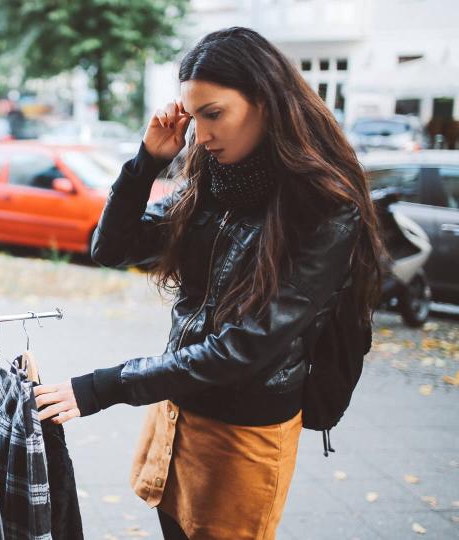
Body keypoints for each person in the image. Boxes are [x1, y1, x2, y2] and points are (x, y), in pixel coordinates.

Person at [33, 27, 385, 539]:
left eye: (214, 114)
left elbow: (247, 347)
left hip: (245, 430)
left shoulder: (325, 208)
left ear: (266, 102)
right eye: (193, 118)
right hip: (176, 406)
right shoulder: (212, 183)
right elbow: (111, 248)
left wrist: (104, 386)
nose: (201, 135)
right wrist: (147, 161)